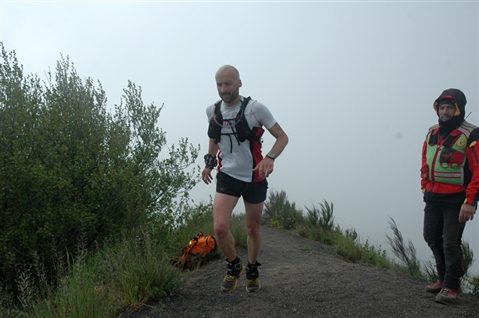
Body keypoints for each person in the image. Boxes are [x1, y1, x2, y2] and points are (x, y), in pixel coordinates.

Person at [201, 65, 288, 293]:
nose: (223, 88)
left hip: (254, 177)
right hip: (227, 176)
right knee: (220, 228)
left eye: (228, 83)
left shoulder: (255, 109)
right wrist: (209, 164)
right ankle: (234, 266)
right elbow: (214, 137)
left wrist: (270, 157)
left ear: (239, 83)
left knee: (252, 229)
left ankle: (252, 269)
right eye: (219, 84)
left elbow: (282, 137)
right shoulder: (213, 110)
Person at [421, 88, 479, 304]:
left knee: (450, 242)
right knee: (430, 237)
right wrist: (424, 186)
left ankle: (452, 285)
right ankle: (442, 278)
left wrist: (471, 202)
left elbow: (478, 170)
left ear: (458, 109)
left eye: (449, 107)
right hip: (433, 196)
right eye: (442, 107)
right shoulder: (432, 131)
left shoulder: (471, 134)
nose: (445, 111)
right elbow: (425, 162)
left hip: (458, 200)